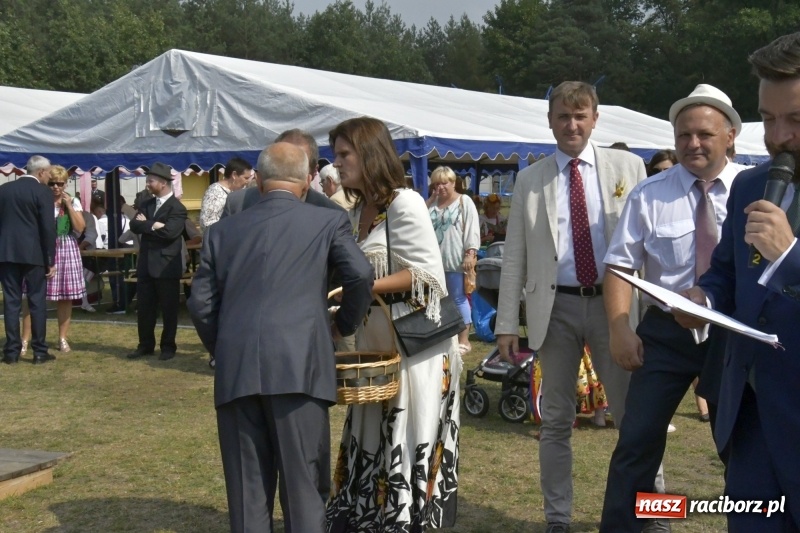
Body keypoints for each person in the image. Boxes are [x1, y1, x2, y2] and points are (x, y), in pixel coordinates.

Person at [189, 142, 373, 533]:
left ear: (257, 181)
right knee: (303, 489)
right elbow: (359, 275)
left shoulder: (222, 231)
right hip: (300, 367)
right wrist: (343, 326)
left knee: (247, 493)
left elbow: (201, 304)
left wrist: (225, 347)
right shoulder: (327, 221)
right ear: (306, 182)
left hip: (239, 370)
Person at [494, 81, 647, 532]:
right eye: (563, 116)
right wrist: (506, 323)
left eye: (580, 116)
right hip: (554, 309)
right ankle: (557, 519)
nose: (572, 124)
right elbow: (515, 257)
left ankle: (651, 511)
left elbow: (648, 240)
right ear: (550, 121)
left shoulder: (629, 167)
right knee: (557, 420)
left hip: (615, 307)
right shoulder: (530, 179)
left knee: (635, 418)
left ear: (595, 119)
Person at [599, 84, 746, 533]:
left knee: (740, 447)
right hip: (664, 334)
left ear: (731, 136)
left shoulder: (752, 190)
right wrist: (619, 327)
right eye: (684, 135)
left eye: (704, 134)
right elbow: (620, 266)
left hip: (731, 334)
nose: (692, 143)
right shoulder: (649, 194)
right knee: (637, 442)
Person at [680, 32, 800, 531]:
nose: (779, 136)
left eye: (795, 120)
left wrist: (790, 256)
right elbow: (727, 272)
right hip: (749, 416)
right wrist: (702, 298)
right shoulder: (751, 184)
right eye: (768, 119)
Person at [326, 117, 462, 532]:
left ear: (369, 154)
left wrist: (362, 287)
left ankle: (407, 519)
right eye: (336, 154)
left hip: (414, 348)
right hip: (377, 347)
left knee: (406, 431)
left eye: (345, 154)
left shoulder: (405, 203)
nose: (337, 163)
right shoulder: (357, 210)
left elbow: (428, 273)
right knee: (373, 431)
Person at [21, 165, 87, 354]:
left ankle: (62, 338)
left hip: (66, 246)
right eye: (52, 183)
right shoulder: (39, 198)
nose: (56, 187)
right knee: (31, 295)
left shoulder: (72, 201)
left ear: (66, 184)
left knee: (65, 296)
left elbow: (80, 228)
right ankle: (25, 339)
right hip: (41, 247)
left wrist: (69, 206)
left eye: (60, 183)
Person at [126, 162, 187, 361]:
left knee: (169, 309)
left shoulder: (177, 208)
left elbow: (171, 233)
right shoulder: (146, 203)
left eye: (150, 181)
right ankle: (145, 345)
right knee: (145, 308)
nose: (147, 184)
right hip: (145, 264)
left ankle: (168, 346)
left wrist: (147, 224)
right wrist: (154, 225)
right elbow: (134, 225)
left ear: (163, 183)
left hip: (166, 266)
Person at [0, 156, 57, 364]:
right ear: (41, 172)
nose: (50, 177)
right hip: (34, 254)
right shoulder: (43, 192)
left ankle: (11, 352)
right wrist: (50, 259)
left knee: (11, 302)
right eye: (49, 173)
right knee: (37, 301)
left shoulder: (4, 190)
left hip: (7, 252)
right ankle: (39, 351)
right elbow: (47, 228)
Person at [221, 129, 343, 217]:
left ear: (314, 172)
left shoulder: (331, 213)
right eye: (280, 162)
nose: (287, 170)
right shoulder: (237, 203)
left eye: (298, 165)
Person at [428, 165, 480, 353]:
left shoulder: (464, 201)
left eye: (444, 183)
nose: (440, 187)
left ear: (453, 182)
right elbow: (418, 218)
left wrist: (470, 253)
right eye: (437, 184)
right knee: (438, 301)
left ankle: (464, 340)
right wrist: (431, 199)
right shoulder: (432, 204)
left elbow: (472, 228)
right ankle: (444, 338)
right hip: (434, 262)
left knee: (458, 299)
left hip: (455, 260)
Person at [199, 157, 254, 232]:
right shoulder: (215, 192)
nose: (247, 181)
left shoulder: (241, 191)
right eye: (246, 178)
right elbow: (206, 223)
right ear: (234, 175)